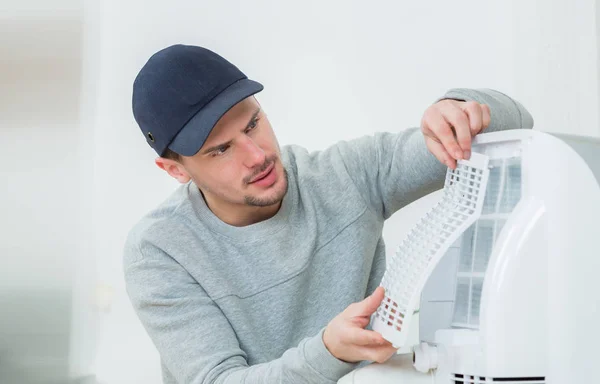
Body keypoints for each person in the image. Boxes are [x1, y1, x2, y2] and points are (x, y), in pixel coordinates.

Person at [124, 44, 534, 384]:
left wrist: (458, 110)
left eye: (252, 125)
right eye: (221, 150)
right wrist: (327, 352)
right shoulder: (160, 250)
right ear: (176, 170)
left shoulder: (345, 177)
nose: (258, 156)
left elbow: (515, 125)